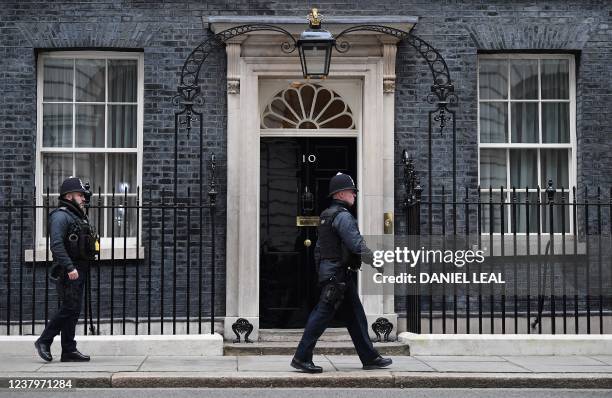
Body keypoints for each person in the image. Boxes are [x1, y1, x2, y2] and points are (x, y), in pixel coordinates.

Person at [291, 172, 392, 373]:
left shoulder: (327, 215)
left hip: (336, 274)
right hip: (336, 276)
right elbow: (356, 244)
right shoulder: (343, 216)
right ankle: (301, 357)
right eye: (352, 192)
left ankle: (369, 357)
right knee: (321, 316)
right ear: (341, 194)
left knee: (356, 317)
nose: (355, 195)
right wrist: (377, 261)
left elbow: (321, 249)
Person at [35, 177, 98, 362]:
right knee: (69, 307)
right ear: (69, 196)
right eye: (80, 195)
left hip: (79, 268)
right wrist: (70, 267)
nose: (83, 198)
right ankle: (44, 341)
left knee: (74, 309)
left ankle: (68, 350)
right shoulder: (60, 216)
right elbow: (56, 245)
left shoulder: (76, 216)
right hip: (68, 270)